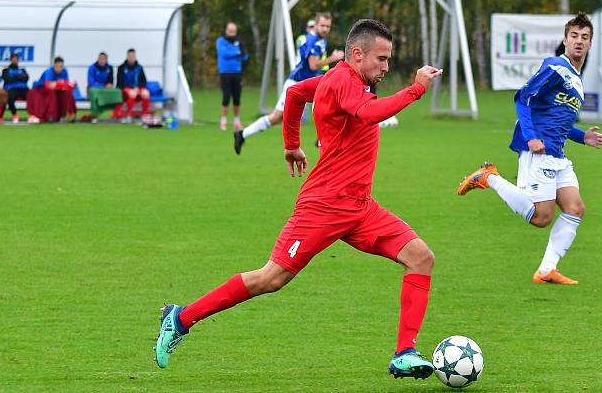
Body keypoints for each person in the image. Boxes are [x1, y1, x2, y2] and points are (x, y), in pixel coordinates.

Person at [155, 19, 444, 380]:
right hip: (323, 207)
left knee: (420, 257)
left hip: (360, 207)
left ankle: (405, 352)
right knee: (271, 278)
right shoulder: (342, 81)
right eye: (381, 59)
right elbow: (370, 114)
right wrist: (415, 89)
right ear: (357, 54)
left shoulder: (336, 79)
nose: (385, 67)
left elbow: (294, 95)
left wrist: (292, 144)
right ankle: (180, 318)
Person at [456, 12, 602, 286]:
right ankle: (488, 177)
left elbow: (556, 121)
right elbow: (522, 98)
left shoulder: (576, 79)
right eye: (574, 36)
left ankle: (547, 270)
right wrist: (531, 137)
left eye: (585, 37)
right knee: (541, 218)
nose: (579, 42)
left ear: (591, 43)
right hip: (538, 152)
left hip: (558, 154)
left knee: (575, 208)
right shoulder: (555, 67)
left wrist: (582, 136)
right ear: (565, 39)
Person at [235, 11, 344, 154]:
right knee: (276, 117)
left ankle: (324, 142)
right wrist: (333, 58)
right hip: (296, 84)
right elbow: (313, 65)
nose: (325, 29)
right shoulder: (314, 41)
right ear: (315, 25)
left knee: (329, 107)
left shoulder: (317, 39)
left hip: (308, 85)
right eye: (322, 25)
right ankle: (242, 134)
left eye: (328, 26)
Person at [216, 22, 249, 131]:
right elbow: (223, 54)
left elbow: (245, 56)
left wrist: (239, 52)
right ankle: (223, 121)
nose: (232, 33)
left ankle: (236, 121)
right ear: (226, 30)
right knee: (226, 97)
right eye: (230, 30)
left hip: (237, 73)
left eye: (233, 31)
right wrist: (236, 52)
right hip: (225, 73)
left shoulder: (239, 41)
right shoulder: (220, 41)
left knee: (237, 98)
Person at [27, 56, 77, 123]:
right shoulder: (49, 72)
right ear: (54, 65)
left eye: (61, 66)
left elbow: (66, 84)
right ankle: (51, 116)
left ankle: (68, 114)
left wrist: (58, 84)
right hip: (42, 89)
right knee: (52, 94)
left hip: (56, 89)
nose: (59, 68)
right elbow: (48, 86)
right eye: (58, 66)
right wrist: (61, 84)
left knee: (66, 93)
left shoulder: (64, 71)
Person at [116, 48, 150, 122]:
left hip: (137, 88)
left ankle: (144, 115)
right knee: (132, 93)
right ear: (127, 57)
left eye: (133, 56)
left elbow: (144, 81)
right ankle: (128, 115)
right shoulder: (121, 68)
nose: (131, 58)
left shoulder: (139, 67)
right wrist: (131, 89)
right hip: (125, 89)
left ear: (135, 57)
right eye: (130, 56)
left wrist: (138, 87)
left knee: (146, 93)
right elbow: (119, 82)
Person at [87, 52, 122, 122]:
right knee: (93, 93)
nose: (102, 60)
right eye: (100, 58)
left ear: (106, 60)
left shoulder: (109, 68)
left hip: (106, 89)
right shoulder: (92, 68)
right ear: (98, 59)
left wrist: (109, 84)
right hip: (94, 88)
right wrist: (102, 86)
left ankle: (117, 114)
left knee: (118, 91)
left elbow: (110, 81)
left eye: (104, 59)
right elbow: (91, 82)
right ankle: (94, 115)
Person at [2, 53, 30, 123]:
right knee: (10, 97)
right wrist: (19, 77)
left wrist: (14, 77)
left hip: (23, 88)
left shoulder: (22, 70)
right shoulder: (6, 70)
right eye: (13, 59)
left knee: (31, 96)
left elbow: (26, 78)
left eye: (16, 59)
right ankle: (14, 115)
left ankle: (32, 114)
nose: (15, 61)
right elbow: (7, 79)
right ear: (11, 60)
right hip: (11, 88)